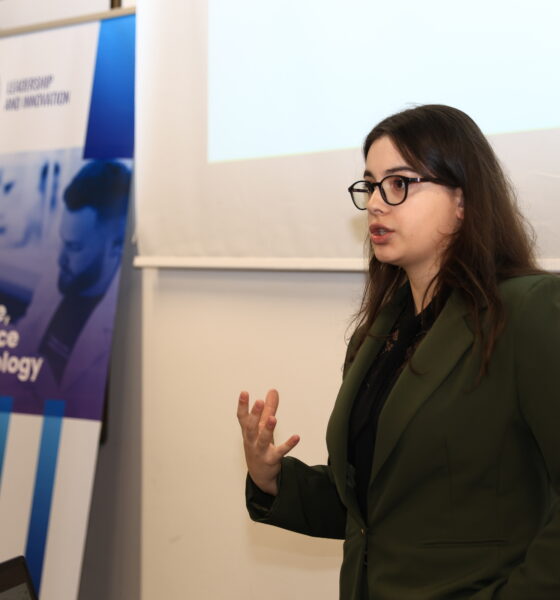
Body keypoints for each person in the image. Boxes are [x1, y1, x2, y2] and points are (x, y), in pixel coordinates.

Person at [237, 105, 560, 599]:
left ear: (463, 199)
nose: (376, 204)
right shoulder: (377, 335)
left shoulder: (528, 310)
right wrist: (273, 479)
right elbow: (373, 513)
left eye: (400, 183)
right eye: (370, 185)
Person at [8, 160, 131, 419]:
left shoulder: (119, 319)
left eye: (74, 247)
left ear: (116, 247)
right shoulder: (61, 275)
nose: (60, 258)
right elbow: (23, 344)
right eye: (62, 242)